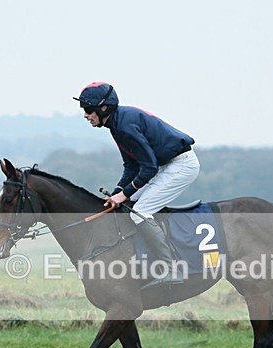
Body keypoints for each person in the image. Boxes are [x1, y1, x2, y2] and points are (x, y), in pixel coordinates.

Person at [73, 82, 200, 289]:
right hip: (164, 165)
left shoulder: (124, 126)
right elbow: (131, 167)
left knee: (139, 211)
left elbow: (148, 168)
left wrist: (125, 194)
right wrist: (116, 195)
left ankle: (170, 268)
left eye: (87, 110)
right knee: (125, 204)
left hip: (181, 165)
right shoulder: (116, 123)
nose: (85, 115)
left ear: (103, 108)